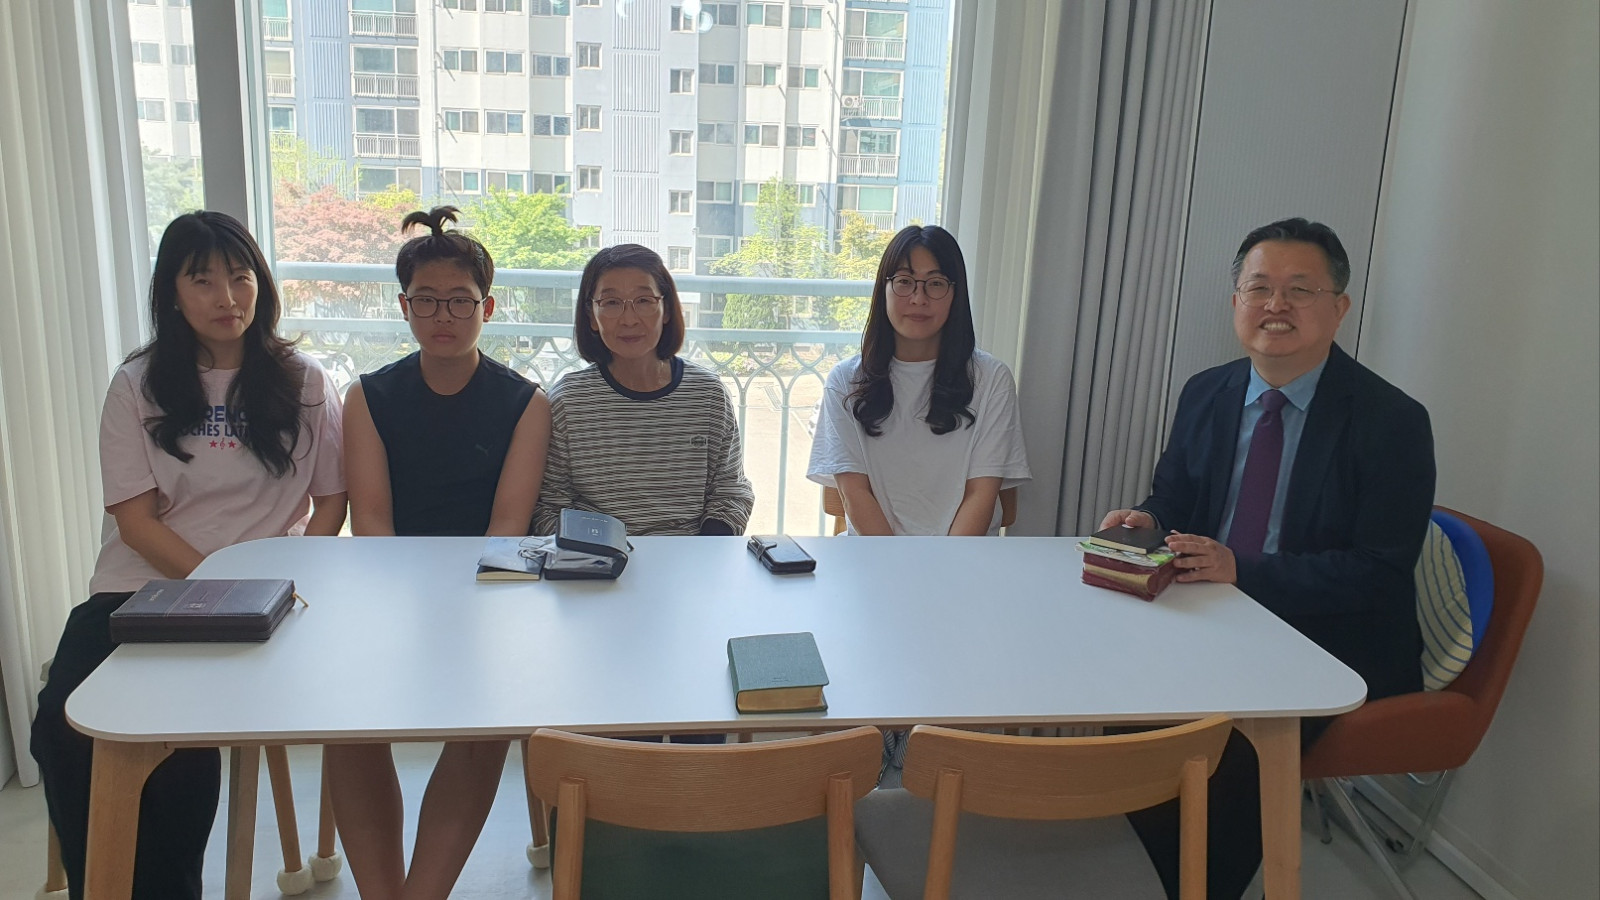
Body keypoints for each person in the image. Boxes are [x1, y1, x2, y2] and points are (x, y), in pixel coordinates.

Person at [1101, 217, 1435, 898]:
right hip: (1214, 613)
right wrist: (1149, 519)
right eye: (1259, 288)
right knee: (1127, 714)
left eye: (1300, 290)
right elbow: (1174, 495)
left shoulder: (1392, 421)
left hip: (1330, 638)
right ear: (1236, 303)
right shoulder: (1207, 391)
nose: (1275, 305)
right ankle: (1149, 876)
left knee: (1228, 756)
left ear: (1339, 308)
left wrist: (1242, 570)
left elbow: (1379, 572)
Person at [31, 211, 347, 900]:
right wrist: (217, 589)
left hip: (267, 604)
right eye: (202, 280)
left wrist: (282, 587)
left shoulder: (305, 382)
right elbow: (136, 523)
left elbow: (331, 502)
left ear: (261, 284)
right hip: (139, 591)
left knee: (177, 733)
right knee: (63, 722)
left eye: (239, 277)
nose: (226, 297)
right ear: (172, 294)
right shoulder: (137, 383)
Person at [326, 206, 550, 899]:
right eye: (426, 300)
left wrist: (459, 620)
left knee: (485, 720)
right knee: (348, 721)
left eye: (459, 300)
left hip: (490, 596)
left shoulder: (525, 402)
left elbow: (506, 528)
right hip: (388, 592)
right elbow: (372, 524)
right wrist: (408, 620)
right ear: (404, 307)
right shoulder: (368, 397)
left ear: (488, 307)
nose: (442, 315)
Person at [807, 224, 1030, 536]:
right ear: (883, 290)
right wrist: (899, 564)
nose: (918, 298)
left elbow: (981, 494)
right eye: (904, 281)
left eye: (935, 283)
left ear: (956, 294)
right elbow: (854, 494)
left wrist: (940, 565)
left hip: (962, 558)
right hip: (874, 556)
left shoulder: (991, 379)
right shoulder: (845, 381)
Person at [532, 243, 753, 538]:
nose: (629, 319)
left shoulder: (708, 395)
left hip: (689, 555)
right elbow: (548, 506)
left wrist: (704, 550)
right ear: (591, 316)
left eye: (644, 300)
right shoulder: (568, 401)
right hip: (596, 556)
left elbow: (731, 492)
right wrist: (595, 549)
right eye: (611, 303)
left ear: (666, 309)